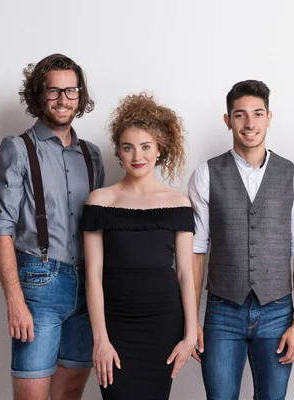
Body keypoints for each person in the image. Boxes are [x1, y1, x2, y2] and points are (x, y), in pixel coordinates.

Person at [188, 80, 294, 400]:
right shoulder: (205, 174)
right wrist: (191, 320)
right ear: (228, 120)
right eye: (240, 115)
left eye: (258, 114)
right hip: (222, 312)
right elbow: (196, 251)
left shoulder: (293, 176)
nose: (250, 123)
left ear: (269, 117)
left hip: (277, 312)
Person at [0, 53, 105, 400]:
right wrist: (14, 300)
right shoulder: (17, 150)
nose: (63, 100)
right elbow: (0, 226)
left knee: (69, 391)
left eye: (70, 91)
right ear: (39, 95)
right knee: (31, 394)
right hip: (38, 283)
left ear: (80, 96)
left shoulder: (92, 155)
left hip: (87, 286)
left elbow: (97, 227)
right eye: (53, 92)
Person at [80, 93, 197, 400]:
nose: (137, 156)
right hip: (115, 325)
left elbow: (185, 273)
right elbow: (93, 276)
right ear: (118, 152)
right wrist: (100, 339)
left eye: (146, 147)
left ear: (160, 150)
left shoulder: (178, 203)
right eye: (128, 147)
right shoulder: (100, 201)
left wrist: (190, 334)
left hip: (163, 325)